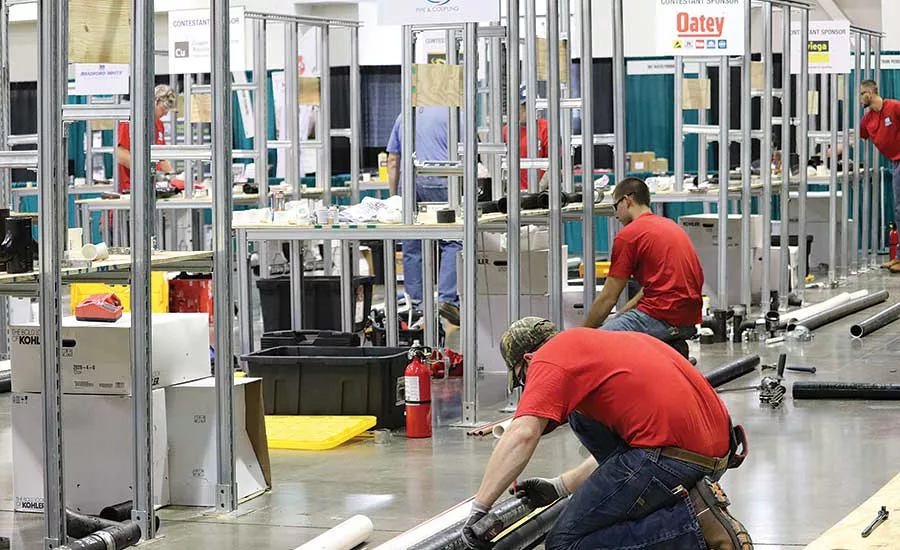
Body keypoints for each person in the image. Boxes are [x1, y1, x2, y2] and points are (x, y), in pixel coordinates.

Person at [460, 317, 752, 550]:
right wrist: (560, 487)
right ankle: (695, 510)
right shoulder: (603, 345)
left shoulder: (548, 358)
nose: (528, 386)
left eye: (523, 379)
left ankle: (694, 527)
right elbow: (626, 450)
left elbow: (523, 434)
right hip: (714, 456)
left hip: (671, 458)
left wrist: (479, 509)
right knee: (579, 415)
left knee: (564, 543)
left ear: (527, 359)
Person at [583, 178, 703, 347]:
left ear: (627, 200)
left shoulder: (629, 235)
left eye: (615, 207)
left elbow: (608, 298)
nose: (616, 215)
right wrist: (621, 315)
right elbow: (652, 288)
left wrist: (580, 335)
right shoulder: (670, 225)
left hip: (661, 316)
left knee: (593, 344)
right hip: (687, 319)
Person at [387, 106, 461, 325]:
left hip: (410, 183)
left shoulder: (404, 115)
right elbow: (469, 153)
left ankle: (416, 304)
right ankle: (447, 299)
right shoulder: (455, 113)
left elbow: (393, 160)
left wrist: (395, 197)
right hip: (444, 178)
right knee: (454, 240)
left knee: (412, 243)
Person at [858, 80, 900, 272]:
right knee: (898, 210)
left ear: (870, 93)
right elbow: (856, 138)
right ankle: (898, 257)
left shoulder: (894, 107)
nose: (860, 99)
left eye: (861, 94)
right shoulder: (868, 119)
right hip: (895, 163)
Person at [116, 84, 175, 194]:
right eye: (163, 109)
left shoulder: (159, 125)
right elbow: (121, 155)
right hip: (131, 188)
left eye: (167, 110)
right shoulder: (130, 122)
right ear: (154, 102)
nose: (165, 113)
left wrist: (173, 176)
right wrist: (147, 171)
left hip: (153, 188)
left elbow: (161, 158)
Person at [503, 85, 549, 190]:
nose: (525, 111)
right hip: (514, 191)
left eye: (529, 107)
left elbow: (554, 163)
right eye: (523, 107)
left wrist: (538, 189)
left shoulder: (546, 128)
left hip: (542, 191)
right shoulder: (507, 131)